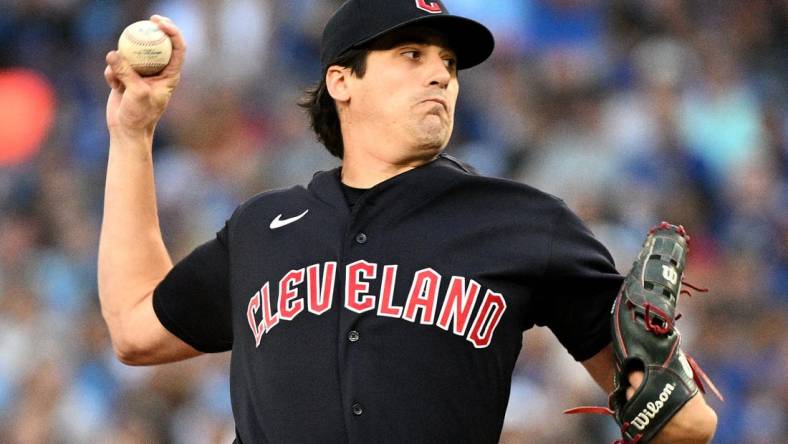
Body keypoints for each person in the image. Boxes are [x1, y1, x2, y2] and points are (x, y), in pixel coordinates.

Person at [99, 1, 717, 442]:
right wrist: (132, 133)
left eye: (448, 62)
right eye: (411, 53)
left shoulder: (522, 222)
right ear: (342, 80)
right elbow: (135, 328)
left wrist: (658, 387)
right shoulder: (264, 227)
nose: (441, 73)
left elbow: (688, 425)